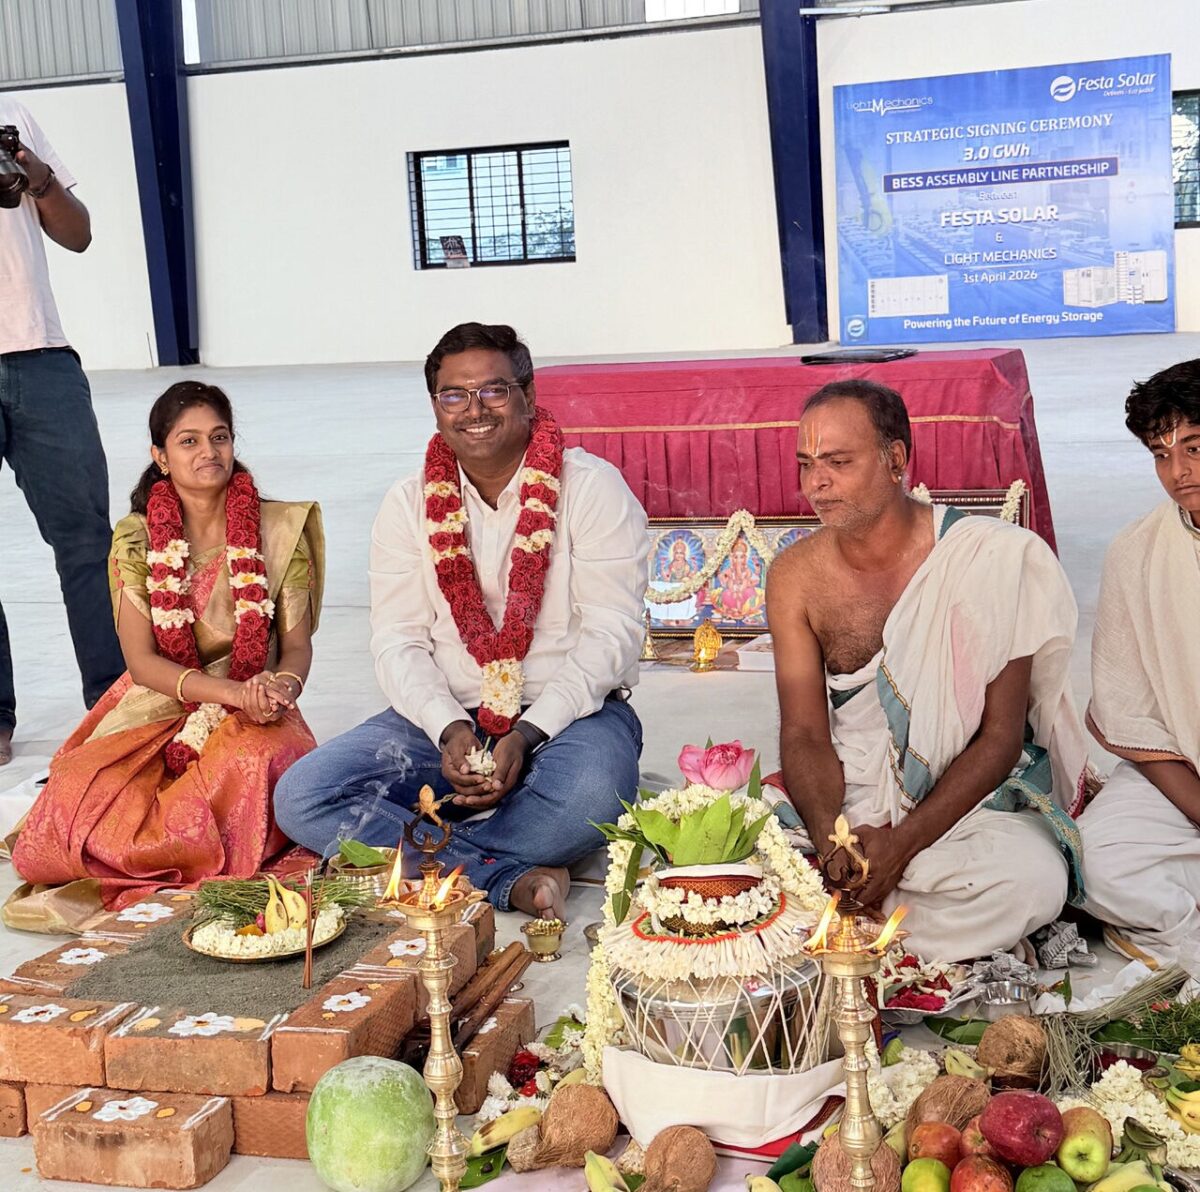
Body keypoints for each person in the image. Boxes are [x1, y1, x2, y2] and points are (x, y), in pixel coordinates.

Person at [274, 322, 648, 921]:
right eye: (454, 395)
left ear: (528, 394)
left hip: (572, 717)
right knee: (302, 795)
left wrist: (528, 734)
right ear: (435, 406)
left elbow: (613, 635)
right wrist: (449, 728)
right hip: (446, 720)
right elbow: (397, 640)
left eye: (493, 390)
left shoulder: (592, 488)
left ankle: (427, 851)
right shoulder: (408, 502)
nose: (474, 410)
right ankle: (508, 872)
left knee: (588, 796)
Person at [765, 379, 1091, 963]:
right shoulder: (794, 576)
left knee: (1034, 880)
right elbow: (805, 733)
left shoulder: (991, 557)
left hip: (965, 805)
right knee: (733, 868)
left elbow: (999, 740)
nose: (816, 483)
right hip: (851, 795)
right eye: (806, 464)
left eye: (838, 462)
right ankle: (882, 919)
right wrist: (831, 841)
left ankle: (850, 931)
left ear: (895, 460)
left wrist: (900, 847)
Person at [4, 382, 324, 933]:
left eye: (219, 437)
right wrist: (226, 692)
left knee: (254, 763)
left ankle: (200, 853)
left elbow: (295, 648)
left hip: (257, 707)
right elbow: (142, 662)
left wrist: (281, 688)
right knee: (75, 798)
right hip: (160, 698)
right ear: (160, 456)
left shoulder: (279, 529)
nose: (209, 452)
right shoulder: (137, 538)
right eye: (189, 441)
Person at [0, 99, 125, 765]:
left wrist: (37, 177)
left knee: (86, 541)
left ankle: (114, 704)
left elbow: (78, 235)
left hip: (41, 357)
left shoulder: (10, 114)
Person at [1080, 360, 1200, 968]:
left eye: (1195, 448)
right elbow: (1132, 716)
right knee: (1097, 861)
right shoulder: (1136, 552)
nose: (1178, 472)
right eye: (1161, 454)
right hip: (1183, 772)